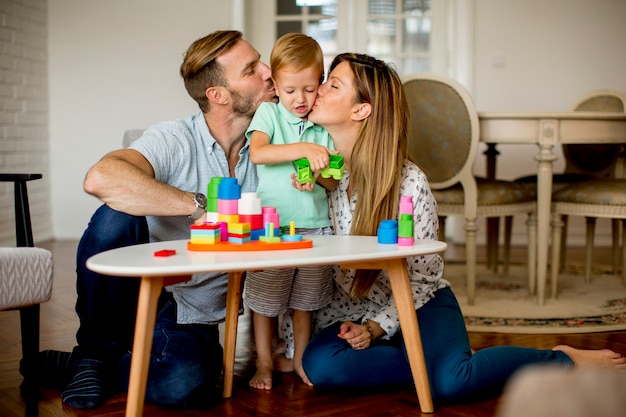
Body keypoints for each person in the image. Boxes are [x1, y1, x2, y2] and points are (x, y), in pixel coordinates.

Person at [299, 52, 626, 402]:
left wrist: (375, 328)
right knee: (321, 366)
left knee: (453, 383)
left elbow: (422, 278)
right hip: (349, 314)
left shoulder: (409, 182)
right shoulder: (315, 177)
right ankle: (426, 362)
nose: (318, 89)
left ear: (361, 110)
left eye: (332, 84)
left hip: (419, 302)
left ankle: (561, 360)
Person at [38, 30, 277, 409]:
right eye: (251, 69)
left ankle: (90, 364)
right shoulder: (174, 138)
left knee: (181, 385)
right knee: (114, 216)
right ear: (218, 95)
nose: (268, 71)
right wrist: (197, 206)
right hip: (136, 297)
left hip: (193, 312)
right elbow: (100, 177)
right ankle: (94, 352)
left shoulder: (273, 149)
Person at [245, 33, 335, 390]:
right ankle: (264, 362)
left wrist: (318, 174)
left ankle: (299, 357)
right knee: (267, 302)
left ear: (321, 84)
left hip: (315, 227)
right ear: (276, 87)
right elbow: (259, 153)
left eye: (310, 89)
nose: (300, 99)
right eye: (290, 90)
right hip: (273, 226)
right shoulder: (268, 113)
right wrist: (302, 149)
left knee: (305, 302)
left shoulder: (322, 124)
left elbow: (332, 182)